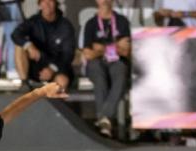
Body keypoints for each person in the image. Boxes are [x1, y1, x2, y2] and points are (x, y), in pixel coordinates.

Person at [82, 0, 131, 137]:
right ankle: (106, 120)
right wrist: (116, 46)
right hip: (96, 63)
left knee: (121, 71)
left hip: (117, 62)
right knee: (99, 74)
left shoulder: (122, 21)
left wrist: (101, 48)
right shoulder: (91, 24)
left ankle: (104, 119)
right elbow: (88, 54)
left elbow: (126, 51)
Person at [11, 0, 75, 91]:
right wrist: (29, 45)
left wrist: (52, 69)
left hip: (56, 65)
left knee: (62, 81)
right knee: (20, 46)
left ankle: (54, 97)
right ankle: (25, 83)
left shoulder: (65, 25)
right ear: (39, 5)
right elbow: (16, 34)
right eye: (44, 1)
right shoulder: (33, 21)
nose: (47, 4)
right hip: (36, 63)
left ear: (55, 4)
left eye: (50, 1)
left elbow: (68, 54)